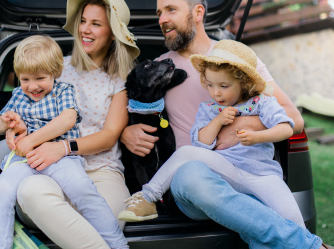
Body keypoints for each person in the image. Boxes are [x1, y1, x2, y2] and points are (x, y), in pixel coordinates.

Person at [120, 0, 334, 249]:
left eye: (171, 10)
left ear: (198, 13)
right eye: (159, 13)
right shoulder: (159, 69)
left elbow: (294, 117)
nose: (162, 19)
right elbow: (128, 111)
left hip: (251, 172)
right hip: (198, 185)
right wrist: (125, 132)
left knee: (262, 221)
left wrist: (242, 125)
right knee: (190, 175)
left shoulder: (240, 60)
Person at [118, 39, 304, 229]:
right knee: (186, 152)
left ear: (244, 83)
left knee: (294, 221)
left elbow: (287, 128)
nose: (216, 93)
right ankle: (147, 197)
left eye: (224, 86)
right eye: (210, 85)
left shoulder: (262, 103)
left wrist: (258, 136)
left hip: (262, 174)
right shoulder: (209, 108)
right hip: (225, 170)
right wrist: (218, 121)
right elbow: (201, 144)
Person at [13, 0, 140, 249]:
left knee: (107, 219)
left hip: (102, 172)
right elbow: (25, 106)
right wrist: (11, 128)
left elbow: (109, 136)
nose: (85, 29)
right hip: (54, 170)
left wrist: (62, 147)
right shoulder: (56, 68)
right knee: (28, 192)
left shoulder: (121, 78)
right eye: (82, 21)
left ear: (113, 33)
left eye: (96, 23)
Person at [0, 35, 128, 249]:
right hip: (25, 162)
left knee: (83, 190)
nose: (32, 86)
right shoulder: (18, 95)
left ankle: (117, 244)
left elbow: (68, 119)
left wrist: (32, 139)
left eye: (39, 78)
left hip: (62, 159)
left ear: (55, 74)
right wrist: (6, 122)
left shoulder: (63, 91)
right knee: (1, 189)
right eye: (25, 79)